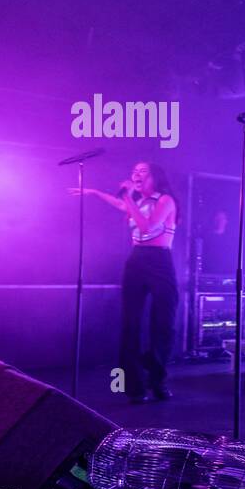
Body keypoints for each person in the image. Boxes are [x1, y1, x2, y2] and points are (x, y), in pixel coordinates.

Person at [71, 161, 179, 402]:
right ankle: (135, 387)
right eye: (134, 171)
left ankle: (157, 380)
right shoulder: (137, 202)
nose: (136, 175)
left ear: (154, 176)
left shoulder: (165, 200)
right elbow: (120, 204)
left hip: (160, 260)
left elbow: (149, 227)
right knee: (130, 323)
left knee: (163, 323)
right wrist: (95, 193)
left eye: (142, 172)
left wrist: (128, 198)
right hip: (137, 260)